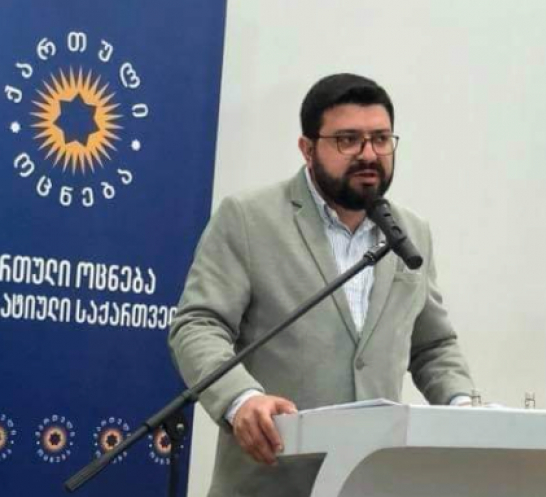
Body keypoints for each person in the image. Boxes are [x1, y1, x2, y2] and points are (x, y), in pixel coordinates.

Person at [169, 73, 474, 497]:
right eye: (348, 140)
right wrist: (241, 400)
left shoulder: (411, 232)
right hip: (272, 480)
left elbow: (432, 346)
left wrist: (463, 405)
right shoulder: (249, 218)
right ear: (307, 148)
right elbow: (198, 325)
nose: (368, 154)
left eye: (381, 139)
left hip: (370, 482)